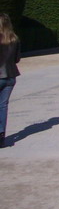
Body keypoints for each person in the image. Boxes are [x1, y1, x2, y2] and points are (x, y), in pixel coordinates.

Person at [0, 13, 21, 148]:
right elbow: (17, 59)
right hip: (10, 76)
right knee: (3, 106)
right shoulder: (14, 39)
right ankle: (1, 134)